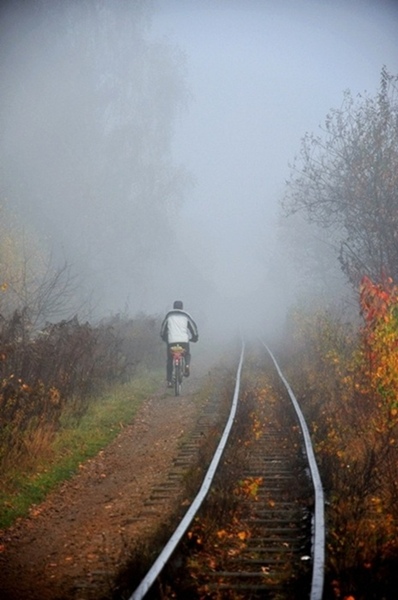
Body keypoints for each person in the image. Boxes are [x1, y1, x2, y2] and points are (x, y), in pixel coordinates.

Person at [160, 300, 199, 387]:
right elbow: (193, 328)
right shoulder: (186, 316)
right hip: (183, 341)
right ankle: (187, 365)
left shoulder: (169, 316)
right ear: (182, 307)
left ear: (174, 307)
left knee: (170, 359)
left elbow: (163, 330)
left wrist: (164, 338)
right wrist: (195, 337)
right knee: (187, 354)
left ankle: (169, 381)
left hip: (172, 341)